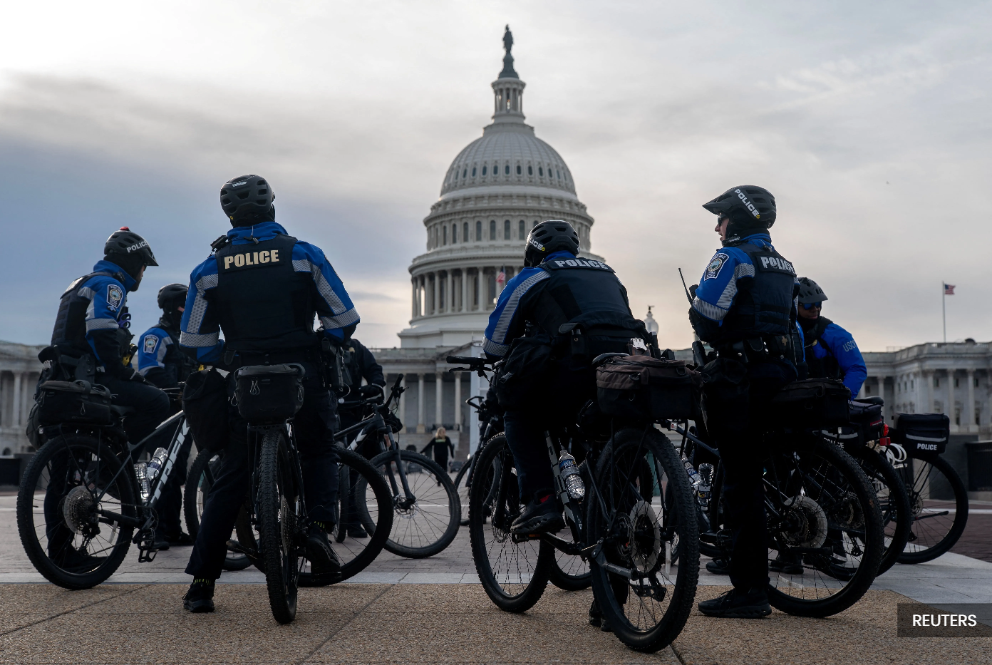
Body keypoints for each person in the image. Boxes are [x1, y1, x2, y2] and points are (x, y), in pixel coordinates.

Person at [179, 174, 360, 613]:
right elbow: (343, 318)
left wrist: (232, 355)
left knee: (232, 476)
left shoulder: (209, 270)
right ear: (272, 209)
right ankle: (318, 529)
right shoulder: (303, 254)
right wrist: (319, 342)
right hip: (302, 371)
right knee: (318, 449)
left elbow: (194, 342)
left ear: (230, 218)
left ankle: (202, 583)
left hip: (247, 378)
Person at [483, 219, 645, 536]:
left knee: (519, 413)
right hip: (621, 372)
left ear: (533, 252)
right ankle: (616, 504)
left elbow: (494, 346)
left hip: (573, 370)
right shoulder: (608, 275)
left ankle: (542, 500)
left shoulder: (533, 276)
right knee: (602, 431)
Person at [688, 186, 802, 619]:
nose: (717, 227)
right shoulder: (784, 264)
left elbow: (707, 315)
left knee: (741, 482)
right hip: (781, 373)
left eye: (720, 219)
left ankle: (750, 590)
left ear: (736, 219)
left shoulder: (732, 257)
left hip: (742, 377)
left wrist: (698, 305)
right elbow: (793, 329)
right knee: (774, 466)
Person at [45, 228, 171, 569]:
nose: (143, 273)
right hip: (92, 380)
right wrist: (123, 372)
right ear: (131, 262)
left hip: (62, 383)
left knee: (61, 475)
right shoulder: (111, 285)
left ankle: (60, 553)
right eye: (143, 266)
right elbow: (100, 332)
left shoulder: (79, 283)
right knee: (158, 402)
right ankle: (109, 466)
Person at [136, 284, 200, 549]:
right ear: (171, 307)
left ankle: (172, 529)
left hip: (184, 417)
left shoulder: (188, 339)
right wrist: (177, 391)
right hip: (162, 415)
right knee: (160, 469)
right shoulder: (155, 336)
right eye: (184, 305)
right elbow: (149, 370)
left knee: (176, 472)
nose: (188, 310)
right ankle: (154, 530)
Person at [336, 337, 385, 538]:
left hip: (352, 409)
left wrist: (376, 384)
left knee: (355, 466)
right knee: (319, 463)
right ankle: (319, 520)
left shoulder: (354, 347)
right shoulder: (317, 343)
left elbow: (373, 369)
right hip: (325, 409)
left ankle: (353, 521)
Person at [796, 277, 866, 397]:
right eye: (808, 305)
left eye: (818, 304)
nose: (815, 309)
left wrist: (840, 400)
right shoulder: (784, 332)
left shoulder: (835, 334)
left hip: (826, 400)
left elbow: (856, 369)